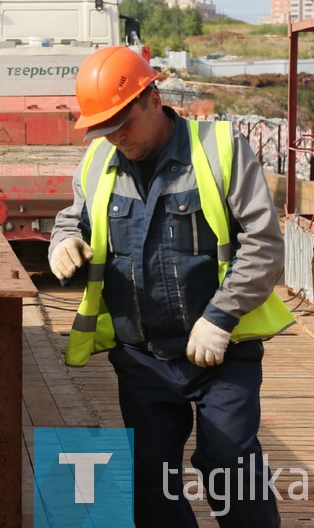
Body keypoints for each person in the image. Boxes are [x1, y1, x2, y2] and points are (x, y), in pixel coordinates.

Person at [48, 46, 293, 526]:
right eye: (104, 126)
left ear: (153, 98)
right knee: (151, 480)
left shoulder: (219, 149)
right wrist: (64, 241)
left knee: (229, 466)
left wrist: (220, 317)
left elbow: (263, 244)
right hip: (141, 357)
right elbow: (70, 218)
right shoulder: (99, 161)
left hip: (221, 353)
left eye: (123, 121)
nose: (115, 135)